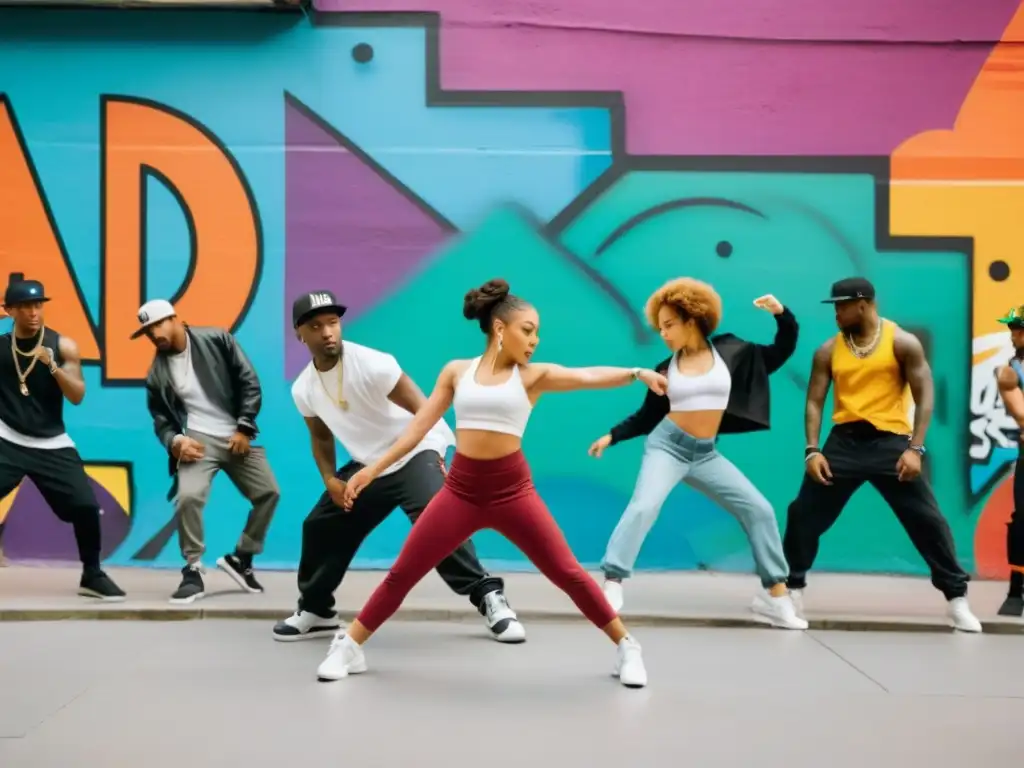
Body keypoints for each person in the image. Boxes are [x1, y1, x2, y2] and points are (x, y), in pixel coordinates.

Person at [315, 278, 667, 688]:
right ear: (500, 329)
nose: (535, 340)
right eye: (528, 330)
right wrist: (372, 470)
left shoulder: (534, 376)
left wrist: (638, 372)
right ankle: (350, 646)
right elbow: (417, 430)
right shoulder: (457, 372)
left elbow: (585, 376)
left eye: (537, 332)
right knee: (403, 572)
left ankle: (627, 647)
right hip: (460, 492)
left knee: (568, 573)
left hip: (513, 492)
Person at [273, 290, 525, 643]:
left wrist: (426, 457)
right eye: (316, 326)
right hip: (368, 463)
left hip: (416, 448)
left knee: (435, 519)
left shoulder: (373, 364)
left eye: (333, 323)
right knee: (320, 526)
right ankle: (317, 610)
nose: (328, 332)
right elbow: (321, 438)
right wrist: (330, 479)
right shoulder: (305, 388)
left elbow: (426, 412)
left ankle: (488, 597)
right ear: (300, 334)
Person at [590, 278, 805, 630]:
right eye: (659, 327)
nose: (663, 333)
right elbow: (646, 417)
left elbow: (781, 350)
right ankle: (613, 580)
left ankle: (775, 596)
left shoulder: (733, 354)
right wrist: (612, 436)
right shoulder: (665, 368)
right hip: (667, 447)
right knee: (644, 506)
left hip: (705, 454)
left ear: (692, 320)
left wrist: (782, 315)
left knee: (760, 509)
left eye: (669, 325)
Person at [782, 277, 981, 632]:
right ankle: (792, 590)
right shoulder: (828, 351)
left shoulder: (903, 343)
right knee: (802, 514)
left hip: (892, 443)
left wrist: (915, 449)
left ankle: (957, 600)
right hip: (842, 443)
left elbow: (925, 395)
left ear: (863, 303)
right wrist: (812, 450)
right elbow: (814, 401)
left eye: (841, 306)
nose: (836, 313)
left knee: (928, 521)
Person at [134, 299, 281, 604]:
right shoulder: (156, 374)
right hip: (197, 442)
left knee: (268, 493)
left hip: (235, 435)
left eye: (159, 324)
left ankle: (242, 558)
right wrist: (176, 442)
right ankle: (193, 569)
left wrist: (244, 428)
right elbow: (161, 420)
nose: (154, 334)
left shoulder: (217, 339)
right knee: (188, 497)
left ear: (175, 319)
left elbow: (248, 382)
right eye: (148, 331)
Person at [0, 273, 125, 599]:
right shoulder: (1, 348)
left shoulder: (63, 345)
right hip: (7, 439)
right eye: (24, 306)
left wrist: (53, 367)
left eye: (37, 305)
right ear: (10, 310)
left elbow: (78, 395)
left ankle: (92, 574)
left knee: (85, 506)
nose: (33, 312)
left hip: (51, 444)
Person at [993, 305, 1024, 617]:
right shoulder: (1010, 371)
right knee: (1022, 521)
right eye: (1013, 329)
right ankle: (1017, 591)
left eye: (1020, 329)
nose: (1014, 335)